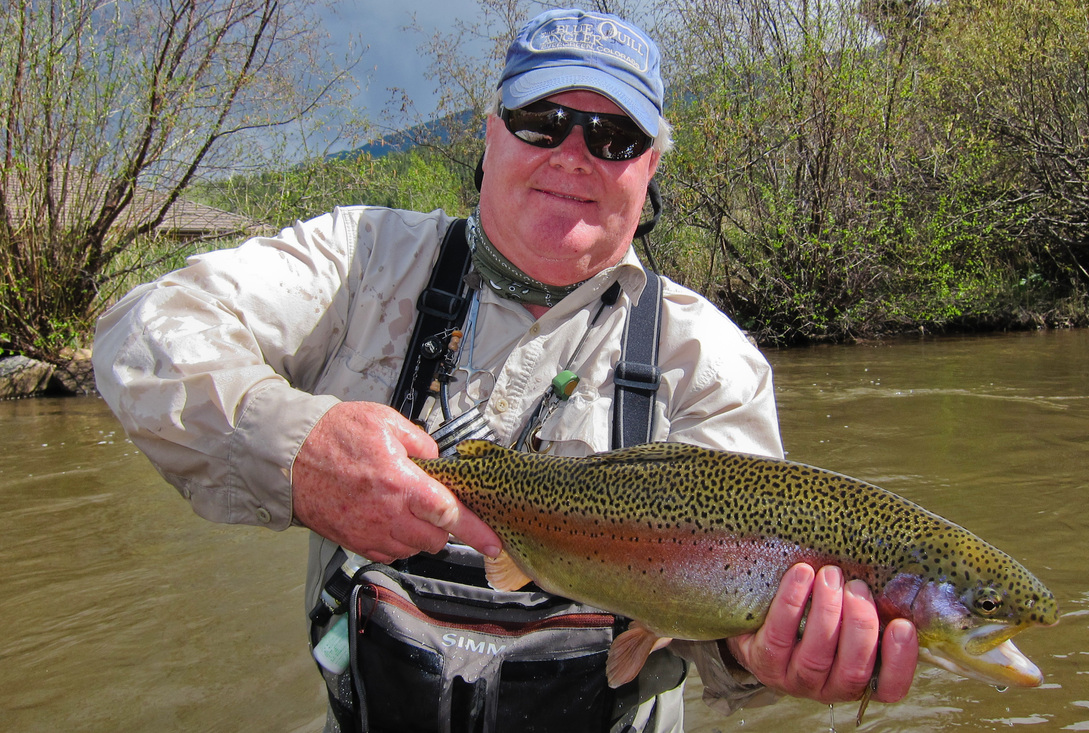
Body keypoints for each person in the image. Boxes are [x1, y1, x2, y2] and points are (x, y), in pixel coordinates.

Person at [93, 7, 918, 732]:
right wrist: (297, 448)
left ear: (650, 166)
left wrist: (761, 648)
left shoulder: (711, 361)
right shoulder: (362, 263)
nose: (574, 154)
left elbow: (731, 641)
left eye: (614, 137)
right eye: (542, 119)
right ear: (488, 132)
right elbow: (142, 335)